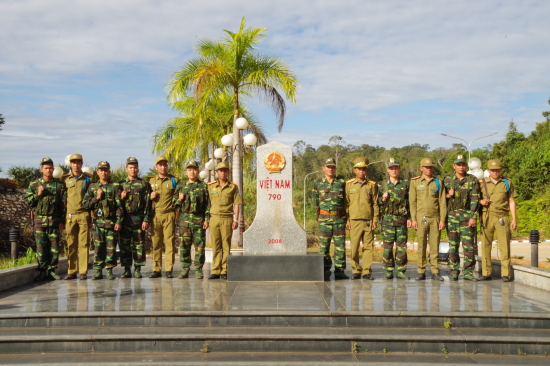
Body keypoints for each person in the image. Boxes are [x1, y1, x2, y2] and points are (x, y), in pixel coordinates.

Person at [24, 158, 66, 281]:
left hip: (54, 221)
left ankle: (52, 270)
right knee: (41, 247)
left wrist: (62, 222)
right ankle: (42, 271)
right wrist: (38, 194)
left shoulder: (59, 186)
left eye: (50, 168)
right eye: (46, 168)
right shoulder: (34, 184)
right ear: (41, 169)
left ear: (53, 169)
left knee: (54, 248)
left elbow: (63, 205)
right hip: (40, 222)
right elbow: (28, 202)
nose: (48, 170)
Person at [82, 161, 123, 280]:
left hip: (111, 223)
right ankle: (98, 270)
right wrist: (97, 198)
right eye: (101, 170)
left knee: (111, 248)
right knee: (98, 248)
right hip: (98, 224)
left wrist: (119, 221)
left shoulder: (115, 186)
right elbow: (86, 204)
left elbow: (119, 205)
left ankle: (109, 270)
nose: (104, 172)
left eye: (106, 170)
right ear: (97, 172)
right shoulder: (92, 187)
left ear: (109, 172)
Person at [479, 159, 517, 282]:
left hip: (502, 216)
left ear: (500, 170)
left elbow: (511, 201)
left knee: (504, 245)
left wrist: (514, 219)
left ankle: (505, 274)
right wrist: (481, 201)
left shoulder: (506, 183)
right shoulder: (482, 183)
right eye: (492, 170)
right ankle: (486, 272)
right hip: (487, 216)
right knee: (485, 245)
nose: (495, 172)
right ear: (488, 170)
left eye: (497, 170)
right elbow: (475, 200)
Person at [444, 154, 480, 281]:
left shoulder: (472, 179)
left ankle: (468, 272)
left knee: (468, 247)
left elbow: (475, 199)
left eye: (463, 164)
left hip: (466, 217)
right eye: (458, 164)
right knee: (453, 246)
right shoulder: (447, 180)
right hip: (452, 218)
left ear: (466, 165)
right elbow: (440, 199)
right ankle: (454, 271)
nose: (461, 167)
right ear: (454, 166)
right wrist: (448, 195)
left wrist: (473, 217)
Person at [409, 158, 447, 281]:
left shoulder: (438, 182)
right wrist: (413, 219)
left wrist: (442, 220)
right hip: (421, 218)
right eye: (426, 167)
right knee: (421, 245)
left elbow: (442, 202)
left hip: (435, 218)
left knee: (435, 245)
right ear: (421, 168)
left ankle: (435, 271)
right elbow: (412, 202)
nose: (428, 169)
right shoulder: (415, 182)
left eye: (430, 167)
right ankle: (421, 270)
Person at [312, 158, 348, 280]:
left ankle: (340, 271)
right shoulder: (317, 183)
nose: (330, 169)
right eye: (328, 167)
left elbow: (346, 201)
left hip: (339, 219)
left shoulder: (342, 182)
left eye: (332, 167)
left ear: (335, 168)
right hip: (324, 220)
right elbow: (315, 201)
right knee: (324, 248)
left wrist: (346, 218)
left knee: (340, 247)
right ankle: (325, 271)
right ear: (323, 168)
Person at [175, 160, 210, 279]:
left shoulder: (203, 186)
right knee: (184, 246)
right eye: (189, 170)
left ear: (198, 171)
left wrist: (206, 219)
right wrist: (179, 199)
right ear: (186, 172)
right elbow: (173, 204)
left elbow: (207, 205)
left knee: (199, 246)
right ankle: (185, 268)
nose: (192, 172)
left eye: (194, 169)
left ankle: (198, 269)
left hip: (198, 220)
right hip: (184, 221)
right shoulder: (180, 186)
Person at [345, 157, 379, 280]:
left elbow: (375, 203)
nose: (361, 172)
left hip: (368, 221)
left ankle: (366, 271)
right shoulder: (349, 185)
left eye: (363, 169)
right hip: (354, 220)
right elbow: (346, 204)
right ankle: (355, 269)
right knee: (354, 247)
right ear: (355, 170)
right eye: (359, 169)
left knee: (368, 247)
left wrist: (375, 220)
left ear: (366, 171)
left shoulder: (372, 185)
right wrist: (347, 220)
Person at [378, 158, 411, 280]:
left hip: (401, 219)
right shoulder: (382, 185)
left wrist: (410, 218)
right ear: (387, 170)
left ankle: (401, 270)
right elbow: (376, 203)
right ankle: (388, 270)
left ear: (399, 168)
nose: (394, 170)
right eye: (391, 168)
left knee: (402, 246)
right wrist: (382, 199)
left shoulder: (406, 184)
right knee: (387, 246)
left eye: (396, 167)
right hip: (387, 220)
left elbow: (410, 203)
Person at [207, 162, 241, 280]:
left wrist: (236, 219)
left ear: (228, 172)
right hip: (214, 218)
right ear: (217, 173)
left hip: (227, 218)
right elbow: (207, 204)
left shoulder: (233, 187)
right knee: (215, 245)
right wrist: (206, 219)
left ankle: (225, 270)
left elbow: (237, 204)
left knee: (226, 245)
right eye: (221, 170)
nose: (223, 173)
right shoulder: (210, 186)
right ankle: (215, 270)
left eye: (225, 171)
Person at [119, 157, 151, 279]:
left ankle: (137, 269)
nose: (133, 169)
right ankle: (127, 269)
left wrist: (146, 219)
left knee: (139, 245)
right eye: (131, 167)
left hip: (139, 219)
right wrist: (121, 197)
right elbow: (116, 204)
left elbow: (148, 203)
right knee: (125, 246)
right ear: (126, 169)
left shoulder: (144, 184)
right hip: (125, 220)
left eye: (135, 167)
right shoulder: (121, 184)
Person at [147, 156, 179, 278]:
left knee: (169, 242)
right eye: (160, 165)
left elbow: (177, 195)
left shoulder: (173, 180)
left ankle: (169, 269)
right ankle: (156, 269)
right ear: (156, 167)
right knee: (156, 243)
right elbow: (146, 199)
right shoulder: (150, 181)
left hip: (169, 214)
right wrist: (150, 196)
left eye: (165, 164)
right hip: (155, 215)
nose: (163, 167)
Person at [62, 153, 92, 280]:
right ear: (70, 164)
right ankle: (72, 270)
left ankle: (83, 272)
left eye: (78, 162)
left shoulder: (87, 179)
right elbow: (63, 198)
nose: (76, 164)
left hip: (83, 214)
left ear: (82, 163)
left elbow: (91, 196)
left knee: (84, 244)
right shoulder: (65, 179)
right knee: (71, 243)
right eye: (73, 162)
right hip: (70, 215)